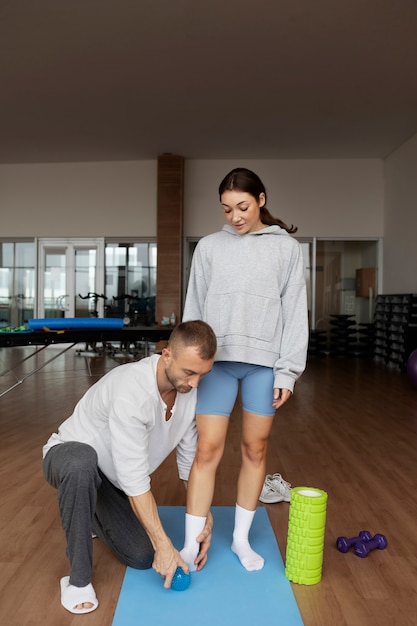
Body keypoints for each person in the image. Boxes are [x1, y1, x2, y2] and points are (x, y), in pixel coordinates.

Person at [180, 168, 308, 572]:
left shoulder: (286, 249)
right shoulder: (209, 247)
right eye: (226, 209)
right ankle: (188, 544)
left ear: (261, 200)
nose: (234, 216)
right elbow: (194, 310)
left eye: (243, 206)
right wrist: (188, 367)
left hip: (263, 367)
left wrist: (288, 371)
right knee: (206, 450)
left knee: (254, 450)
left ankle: (239, 540)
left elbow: (294, 315)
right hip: (216, 364)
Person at [42, 320, 216, 615]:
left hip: (111, 480)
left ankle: (90, 511)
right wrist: (165, 544)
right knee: (82, 463)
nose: (196, 383)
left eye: (203, 374)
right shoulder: (131, 391)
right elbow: (136, 481)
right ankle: (78, 581)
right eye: (189, 372)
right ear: (166, 355)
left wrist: (203, 514)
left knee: (141, 555)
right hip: (67, 457)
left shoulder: (189, 393)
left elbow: (188, 466)